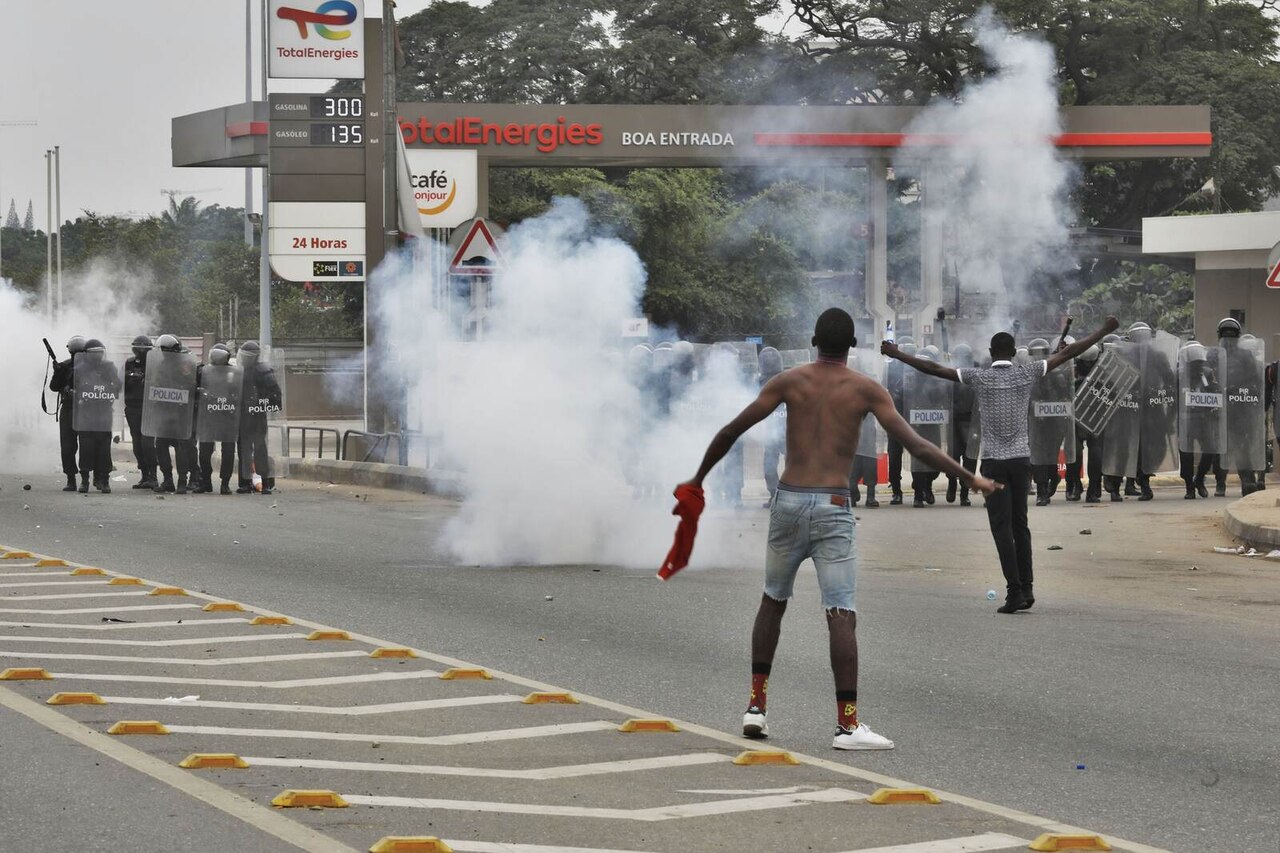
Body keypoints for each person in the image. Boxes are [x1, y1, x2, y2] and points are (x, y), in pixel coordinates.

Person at [678, 309, 999, 751]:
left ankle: (756, 707)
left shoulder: (789, 381)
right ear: (851, 346)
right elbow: (917, 444)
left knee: (772, 601)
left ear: (813, 341)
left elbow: (732, 429)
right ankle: (847, 726)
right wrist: (971, 479)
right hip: (832, 505)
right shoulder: (866, 389)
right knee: (840, 613)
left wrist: (697, 479)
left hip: (788, 501)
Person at [884, 316, 1119, 614]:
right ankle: (1028, 587)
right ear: (1012, 352)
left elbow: (933, 368)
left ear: (992, 352)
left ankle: (1015, 591)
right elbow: (1069, 353)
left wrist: (897, 354)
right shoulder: (1027, 373)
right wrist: (1104, 330)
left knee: (1001, 527)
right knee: (1020, 524)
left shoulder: (979, 377)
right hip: (1022, 461)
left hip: (994, 462)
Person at [73, 339, 121, 494]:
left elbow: (117, 385)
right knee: (86, 448)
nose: (97, 356)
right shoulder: (79, 369)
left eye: (100, 353)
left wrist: (111, 386)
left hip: (104, 414)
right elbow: (73, 386)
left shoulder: (109, 367)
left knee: (104, 449)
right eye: (94, 353)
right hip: (86, 414)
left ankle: (104, 479)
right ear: (87, 354)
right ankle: (85, 480)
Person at [237, 340, 282, 494]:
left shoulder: (264, 371)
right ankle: (245, 483)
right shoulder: (240, 371)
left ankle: (266, 483)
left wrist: (260, 404)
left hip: (257, 417)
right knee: (244, 450)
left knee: (260, 450)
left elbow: (275, 394)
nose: (243, 358)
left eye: (246, 356)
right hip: (243, 417)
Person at [196, 343, 238, 495]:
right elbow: (195, 388)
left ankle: (225, 483)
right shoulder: (203, 371)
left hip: (227, 416)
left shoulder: (234, 373)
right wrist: (202, 393)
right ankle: (205, 481)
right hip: (208, 416)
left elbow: (238, 394)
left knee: (228, 451)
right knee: (204, 451)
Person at [1065, 344, 1105, 503]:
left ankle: (1094, 488)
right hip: (1074, 419)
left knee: (1096, 455)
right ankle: (1074, 485)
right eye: (1084, 362)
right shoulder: (1070, 374)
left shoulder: (1103, 375)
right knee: (1075, 453)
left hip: (1096, 418)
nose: (1087, 366)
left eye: (1090, 363)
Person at [48, 335, 86, 491]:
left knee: (85, 446)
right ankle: (71, 479)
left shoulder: (92, 367)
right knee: (68, 447)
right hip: (69, 409)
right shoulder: (64, 366)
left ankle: (84, 479)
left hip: (85, 410)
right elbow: (53, 387)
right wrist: (57, 373)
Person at [124, 335, 158, 490]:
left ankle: (153, 476)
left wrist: (147, 380)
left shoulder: (154, 364)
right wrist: (131, 377)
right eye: (137, 348)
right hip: (132, 407)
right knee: (137, 444)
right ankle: (144, 475)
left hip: (149, 407)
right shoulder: (129, 363)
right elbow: (123, 383)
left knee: (148, 443)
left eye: (142, 349)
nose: (139, 352)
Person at [946, 343, 978, 507]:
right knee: (953, 456)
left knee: (969, 459)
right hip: (954, 421)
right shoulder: (950, 374)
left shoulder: (976, 375)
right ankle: (952, 483)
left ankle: (964, 492)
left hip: (971, 422)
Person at [884, 336, 915, 505]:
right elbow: (884, 390)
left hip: (914, 415)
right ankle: (896, 490)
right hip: (896, 415)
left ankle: (921, 487)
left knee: (920, 454)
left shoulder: (918, 365)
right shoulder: (891, 367)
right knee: (894, 456)